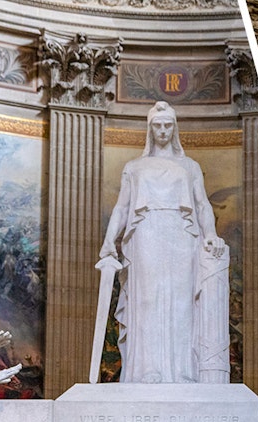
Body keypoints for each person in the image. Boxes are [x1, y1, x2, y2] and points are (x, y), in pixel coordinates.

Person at [98, 100, 230, 384]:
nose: (162, 130)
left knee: (182, 303)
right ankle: (147, 370)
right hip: (146, 234)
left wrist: (210, 234)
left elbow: (203, 205)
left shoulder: (189, 166)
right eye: (157, 126)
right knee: (147, 300)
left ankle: (183, 371)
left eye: (167, 125)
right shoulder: (134, 167)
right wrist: (109, 241)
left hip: (183, 236)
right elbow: (122, 208)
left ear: (175, 128)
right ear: (149, 129)